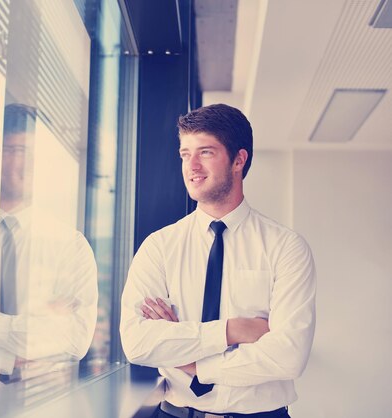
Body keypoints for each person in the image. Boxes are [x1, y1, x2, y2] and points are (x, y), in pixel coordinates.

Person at [120, 104, 316, 418]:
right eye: (185, 154)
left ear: (239, 159)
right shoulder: (159, 247)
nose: (191, 166)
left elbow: (288, 355)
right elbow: (138, 342)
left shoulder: (286, 248)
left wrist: (191, 362)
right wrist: (232, 330)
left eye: (206, 152)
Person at [0, 103, 98, 383]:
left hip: (41, 400)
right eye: (12, 151)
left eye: (34, 154)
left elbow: (75, 341)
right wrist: (11, 358)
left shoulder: (69, 245)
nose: (24, 164)